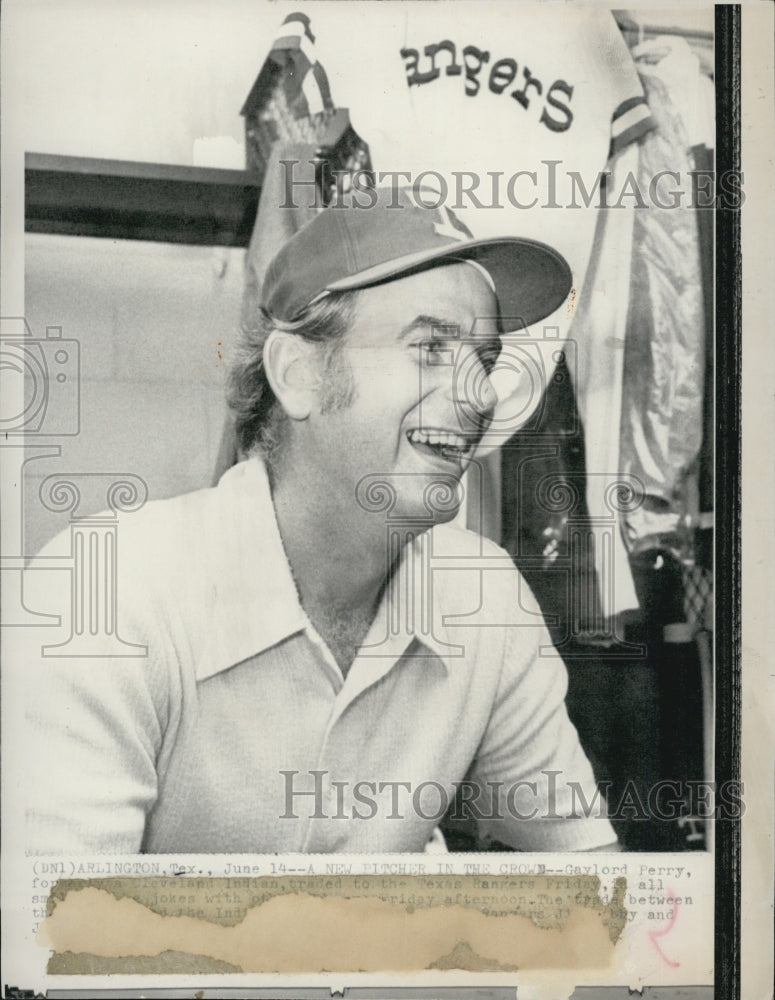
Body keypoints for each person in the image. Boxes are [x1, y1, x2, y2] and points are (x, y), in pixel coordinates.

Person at [25, 189, 618, 854]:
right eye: (429, 347)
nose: (481, 395)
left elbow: (593, 888)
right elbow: (56, 933)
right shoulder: (104, 591)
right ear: (299, 374)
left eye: (482, 361)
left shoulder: (483, 596)